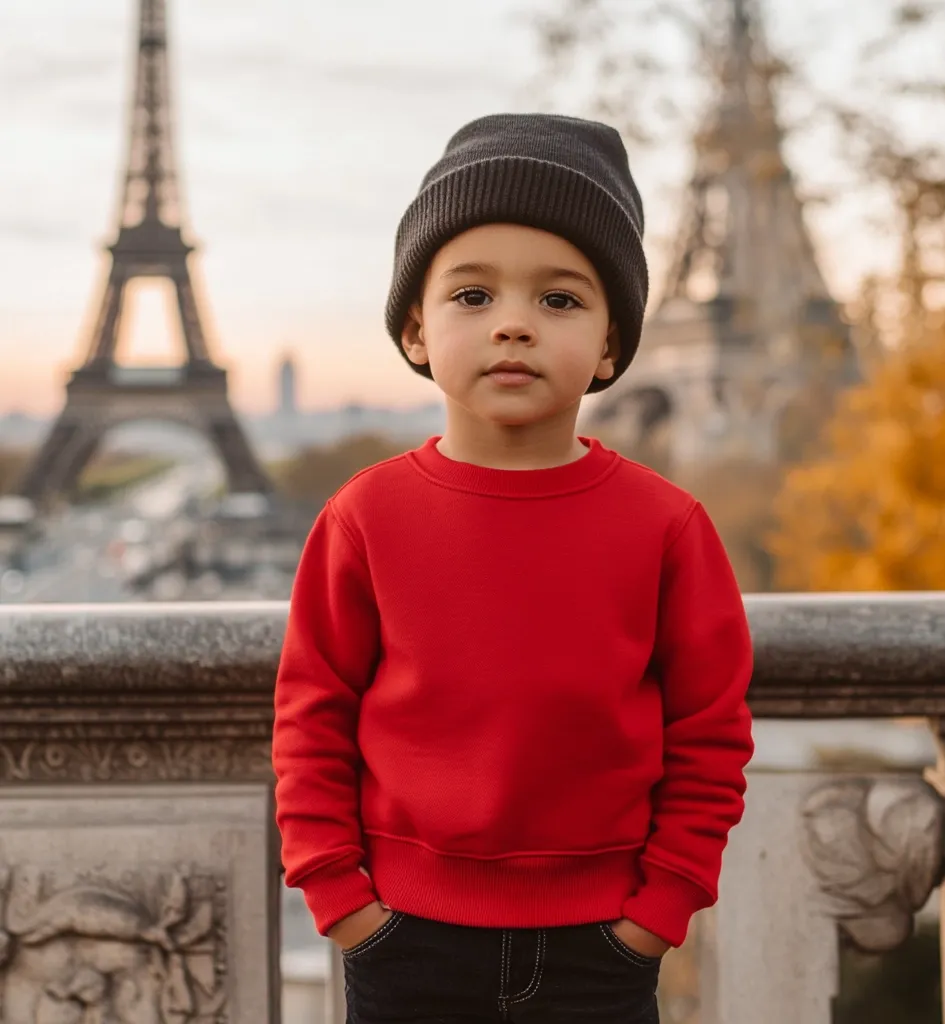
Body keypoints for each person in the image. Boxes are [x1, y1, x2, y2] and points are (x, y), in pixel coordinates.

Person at [272, 113, 754, 1024]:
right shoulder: (363, 518)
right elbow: (312, 717)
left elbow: (710, 732)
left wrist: (657, 913)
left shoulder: (669, 528)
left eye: (560, 301)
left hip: (603, 948)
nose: (514, 325)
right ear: (416, 330)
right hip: (403, 940)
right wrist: (344, 903)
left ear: (611, 346)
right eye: (472, 295)